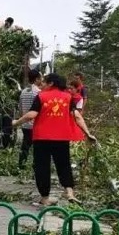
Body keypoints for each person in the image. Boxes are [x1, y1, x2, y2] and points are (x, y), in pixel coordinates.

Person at [11, 73, 96, 206]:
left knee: (42, 167)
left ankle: (45, 198)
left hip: (42, 138)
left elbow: (31, 115)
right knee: (64, 165)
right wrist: (88, 133)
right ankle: (70, 193)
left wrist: (16, 122)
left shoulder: (41, 96)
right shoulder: (68, 97)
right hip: (61, 138)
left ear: (51, 83)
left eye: (45, 82)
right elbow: (77, 116)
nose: (42, 84)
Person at [16, 68, 42, 169]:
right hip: (35, 124)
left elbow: (20, 109)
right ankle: (36, 166)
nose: (41, 80)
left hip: (25, 124)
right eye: (40, 78)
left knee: (25, 146)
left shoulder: (23, 92)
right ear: (36, 79)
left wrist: (22, 120)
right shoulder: (38, 93)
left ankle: (21, 165)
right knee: (37, 148)